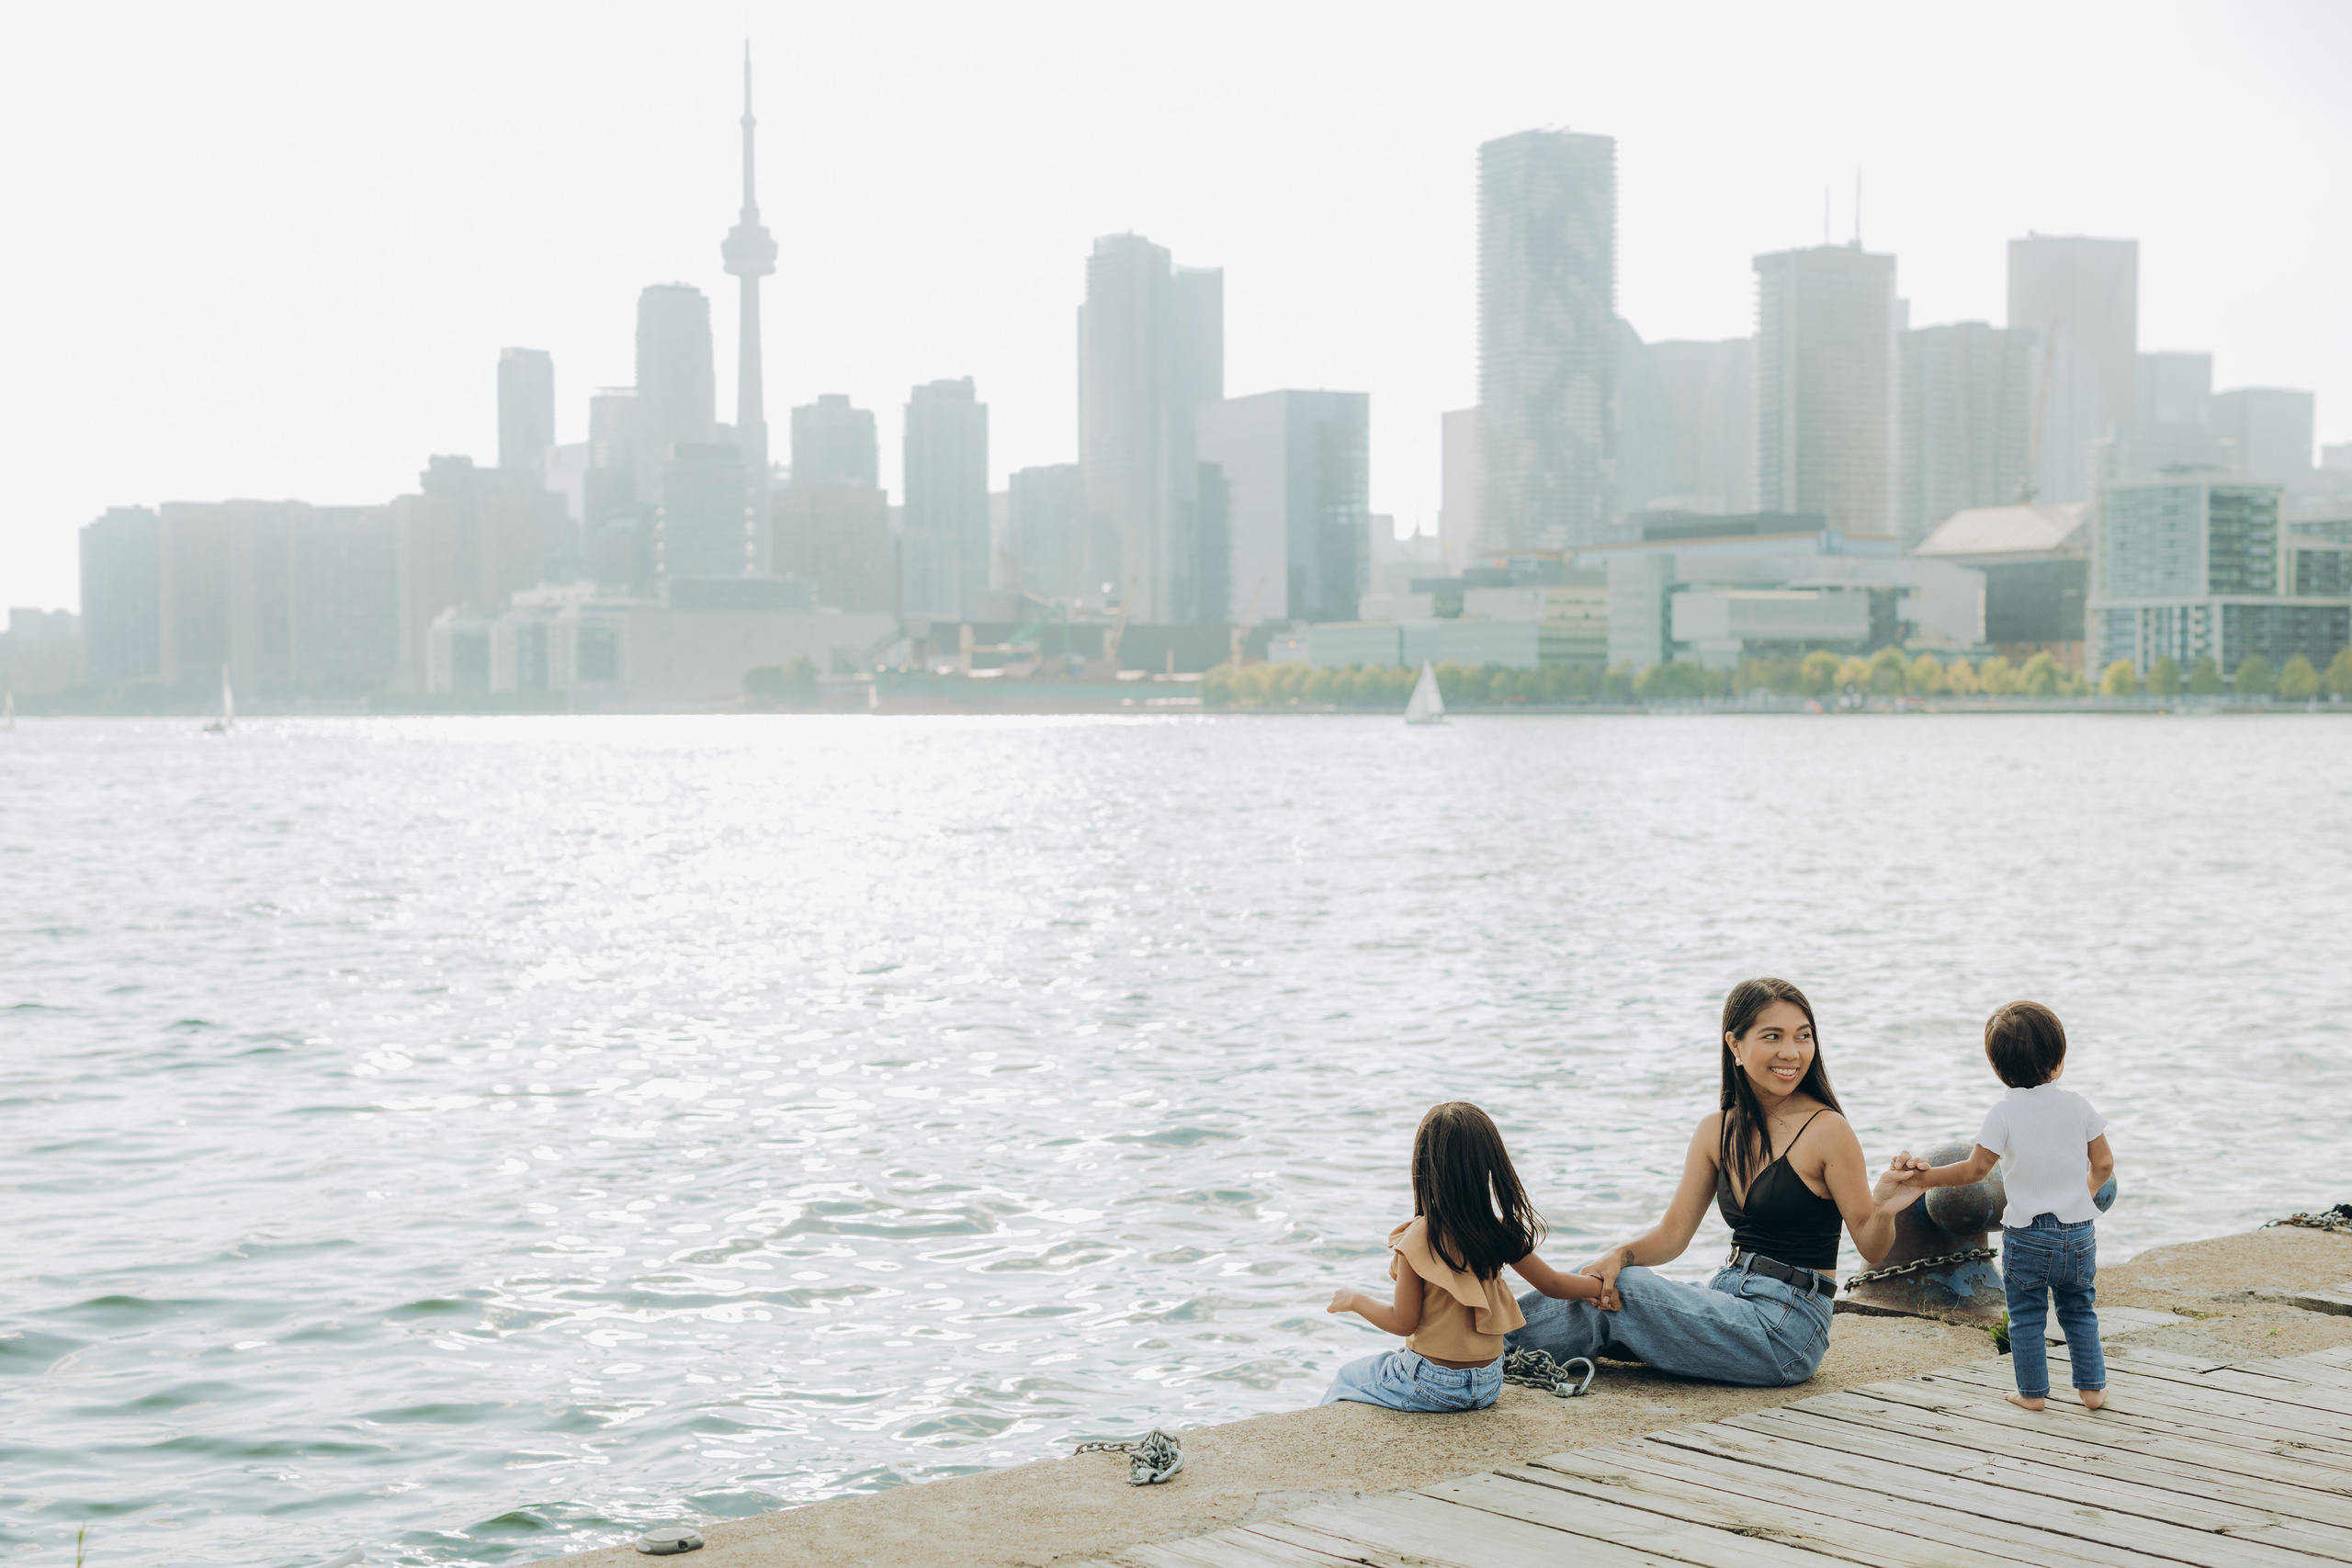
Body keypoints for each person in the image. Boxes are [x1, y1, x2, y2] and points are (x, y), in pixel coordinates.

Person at [1507, 977, 1922, 1387]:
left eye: (1803, 1036)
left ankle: (1474, 1352)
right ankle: (1474, 1342)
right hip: (1728, 1295)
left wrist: (1884, 1207)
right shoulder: (1716, 1131)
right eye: (1773, 1036)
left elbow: (1870, 1245)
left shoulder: (1828, 1130)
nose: (1791, 1052)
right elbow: (1673, 1234)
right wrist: (1620, 1255)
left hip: (1787, 1327)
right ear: (1735, 1045)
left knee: (1628, 1290)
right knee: (1600, 1283)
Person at [1901, 1001, 2114, 1411]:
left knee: (2027, 1316)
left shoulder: (2003, 1113)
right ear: (2059, 1060)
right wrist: (2081, 1198)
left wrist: (1924, 1179)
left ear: (1998, 1068)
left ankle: (2032, 1394)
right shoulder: (2078, 1105)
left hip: (2029, 1236)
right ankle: (2092, 1390)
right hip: (2079, 1233)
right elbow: (2103, 1164)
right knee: (2079, 1310)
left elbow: (1973, 1172)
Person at [1322, 1101, 1601, 1411]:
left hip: (1433, 1384)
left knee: (1347, 1377)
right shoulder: (1495, 1231)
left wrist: (1353, 1299)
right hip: (1489, 1383)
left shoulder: (1419, 1236)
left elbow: (1402, 1322)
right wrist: (1598, 1288)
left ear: (1425, 1168)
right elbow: (1555, 1285)